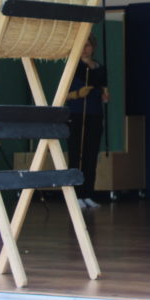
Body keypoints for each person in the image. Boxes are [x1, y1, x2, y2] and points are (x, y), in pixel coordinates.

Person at [66, 33, 109, 209]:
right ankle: (75, 195)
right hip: (77, 115)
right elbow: (63, 95)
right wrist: (77, 94)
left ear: (93, 47)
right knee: (77, 155)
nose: (85, 49)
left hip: (94, 114)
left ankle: (88, 193)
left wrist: (105, 95)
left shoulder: (99, 68)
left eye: (88, 45)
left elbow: (103, 89)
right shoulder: (73, 67)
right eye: (82, 45)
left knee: (91, 156)